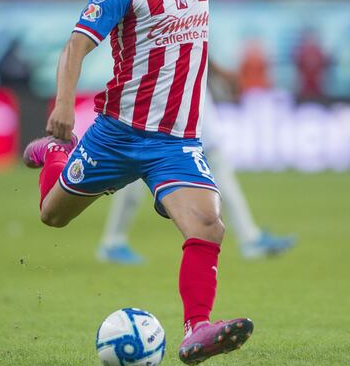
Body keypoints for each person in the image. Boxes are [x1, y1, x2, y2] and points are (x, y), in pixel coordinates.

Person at [23, 0, 324, 366]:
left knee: (209, 224)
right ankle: (57, 155)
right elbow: (77, 45)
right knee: (51, 215)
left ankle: (197, 328)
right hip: (117, 134)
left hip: (175, 143)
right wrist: (62, 105)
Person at [97, 59, 296, 264]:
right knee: (199, 159)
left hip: (184, 87)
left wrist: (219, 72)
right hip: (167, 89)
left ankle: (113, 241)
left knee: (205, 160)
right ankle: (112, 241)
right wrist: (220, 72)